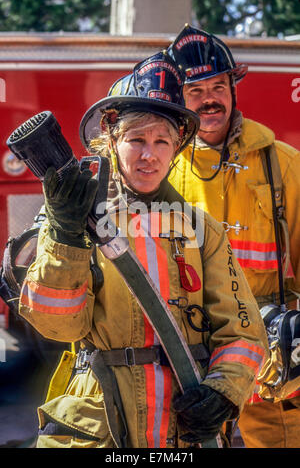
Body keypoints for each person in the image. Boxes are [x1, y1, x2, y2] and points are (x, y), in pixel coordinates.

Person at [18, 51, 268, 449]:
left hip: (183, 429)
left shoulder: (202, 230)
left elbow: (244, 333)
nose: (149, 154)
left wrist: (222, 392)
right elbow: (57, 325)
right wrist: (66, 235)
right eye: (136, 140)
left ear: (177, 147)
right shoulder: (72, 217)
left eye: (161, 141)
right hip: (99, 429)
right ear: (111, 140)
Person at [168, 24, 300, 448]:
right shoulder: (161, 169)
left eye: (219, 86)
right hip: (192, 362)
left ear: (233, 90)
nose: (210, 98)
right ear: (176, 98)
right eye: (195, 90)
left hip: (271, 362)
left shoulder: (283, 165)